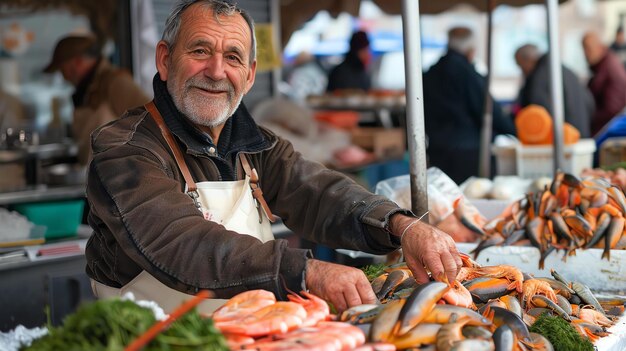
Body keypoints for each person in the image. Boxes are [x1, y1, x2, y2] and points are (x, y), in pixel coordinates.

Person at [85, 0, 461, 314]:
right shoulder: (126, 149)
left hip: (251, 333)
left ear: (249, 77)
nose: (216, 71)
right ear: (165, 61)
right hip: (152, 340)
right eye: (200, 51)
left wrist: (400, 225)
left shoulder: (255, 144)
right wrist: (305, 271)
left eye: (232, 57)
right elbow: (182, 243)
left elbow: (317, 192)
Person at [423, 26, 516, 185]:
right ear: (471, 49)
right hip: (468, 152)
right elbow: (487, 109)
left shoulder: (430, 73)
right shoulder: (467, 73)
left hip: (438, 149)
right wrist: (514, 130)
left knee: (445, 201)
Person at [43, 34, 150, 165]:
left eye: (62, 69)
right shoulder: (88, 89)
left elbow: (151, 119)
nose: (63, 76)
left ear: (77, 62)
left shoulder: (115, 82)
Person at [514, 43, 593, 138]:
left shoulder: (539, 78)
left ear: (528, 60)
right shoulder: (566, 71)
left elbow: (537, 113)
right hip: (580, 134)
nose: (522, 71)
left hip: (562, 139)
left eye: (520, 65)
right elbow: (589, 102)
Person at [582, 31, 626, 136]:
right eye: (584, 49)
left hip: (605, 133)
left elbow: (612, 109)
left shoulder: (609, 68)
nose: (586, 54)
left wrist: (588, 117)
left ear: (599, 46)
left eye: (588, 48)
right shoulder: (602, 67)